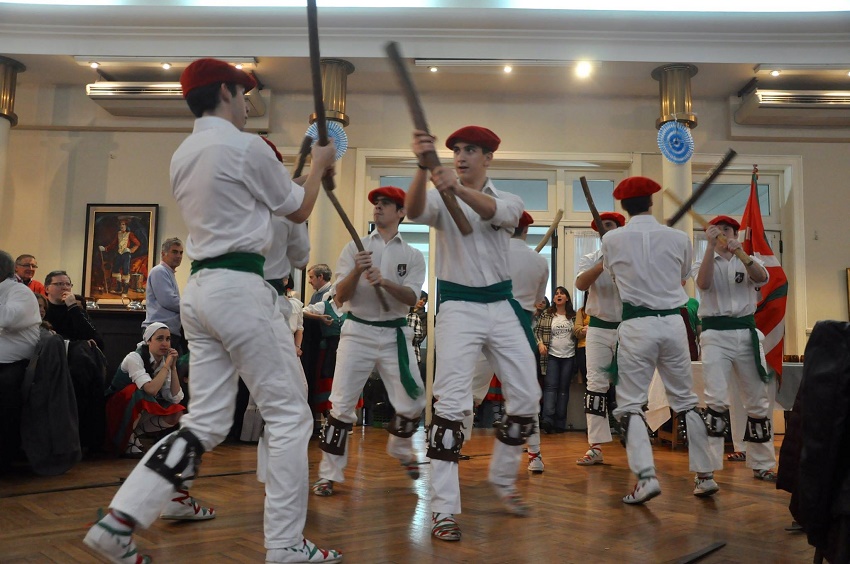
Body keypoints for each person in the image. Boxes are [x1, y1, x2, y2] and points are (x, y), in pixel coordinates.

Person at [83, 58, 340, 563]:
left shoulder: (184, 152)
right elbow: (301, 209)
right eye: (244, 96)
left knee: (205, 420)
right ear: (226, 91)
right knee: (290, 417)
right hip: (240, 290)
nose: (248, 106)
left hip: (201, 290)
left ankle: (120, 521)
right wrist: (320, 167)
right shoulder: (242, 145)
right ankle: (286, 545)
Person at [408, 125, 540, 541]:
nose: (461, 157)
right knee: (450, 404)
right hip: (459, 307)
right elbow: (413, 211)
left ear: (489, 158)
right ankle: (443, 509)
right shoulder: (438, 196)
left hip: (501, 306)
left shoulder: (509, 202)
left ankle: (503, 478)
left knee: (528, 397)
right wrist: (420, 166)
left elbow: (493, 213)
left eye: (471, 150)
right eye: (456, 151)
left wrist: (457, 190)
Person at [600, 176, 712, 504]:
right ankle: (705, 475)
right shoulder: (678, 238)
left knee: (631, 403)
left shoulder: (612, 240)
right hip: (674, 323)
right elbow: (682, 276)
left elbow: (614, 275)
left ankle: (646, 477)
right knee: (687, 399)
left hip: (637, 325)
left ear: (623, 205)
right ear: (651, 201)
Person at [311, 186, 426, 497]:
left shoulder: (413, 255)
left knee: (415, 400)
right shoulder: (354, 248)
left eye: (386, 204)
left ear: (401, 212)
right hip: (357, 331)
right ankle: (329, 474)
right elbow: (339, 295)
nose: (378, 208)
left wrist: (384, 281)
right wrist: (358, 271)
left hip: (395, 333)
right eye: (376, 203)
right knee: (341, 405)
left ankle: (401, 449)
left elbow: (412, 297)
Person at [692, 215, 777, 485]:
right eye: (716, 230)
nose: (721, 234)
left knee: (757, 400)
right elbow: (703, 284)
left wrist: (739, 252)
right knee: (715, 400)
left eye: (726, 230)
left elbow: (761, 277)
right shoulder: (703, 260)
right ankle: (706, 471)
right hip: (715, 333)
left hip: (745, 332)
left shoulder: (749, 259)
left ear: (735, 233)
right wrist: (708, 248)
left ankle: (762, 463)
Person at [573, 212, 625, 466]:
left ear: (618, 229)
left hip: (628, 328)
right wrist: (603, 263)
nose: (606, 230)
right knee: (595, 385)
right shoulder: (590, 258)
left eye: (610, 226)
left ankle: (635, 438)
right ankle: (595, 446)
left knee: (631, 385)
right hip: (598, 328)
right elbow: (581, 284)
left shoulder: (630, 257)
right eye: (602, 227)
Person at [104, 323, 186, 457]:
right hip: (116, 406)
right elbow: (151, 390)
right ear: (148, 341)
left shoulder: (165, 361)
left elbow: (175, 397)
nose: (165, 343)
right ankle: (125, 440)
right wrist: (166, 366)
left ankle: (133, 434)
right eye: (160, 339)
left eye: (168, 339)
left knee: (176, 412)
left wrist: (173, 368)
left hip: (139, 405)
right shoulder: (134, 358)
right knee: (138, 392)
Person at [535, 286, 577, 434]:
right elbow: (537, 332)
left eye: (562, 293)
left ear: (567, 298)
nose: (558, 295)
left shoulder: (573, 316)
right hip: (551, 355)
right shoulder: (547, 314)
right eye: (556, 294)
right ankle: (547, 420)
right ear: (553, 299)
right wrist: (540, 344)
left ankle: (560, 423)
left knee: (564, 389)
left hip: (569, 356)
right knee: (550, 387)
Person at [143, 237, 186, 355]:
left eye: (181, 252)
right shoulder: (160, 271)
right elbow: (169, 301)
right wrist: (193, 308)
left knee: (171, 370)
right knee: (162, 370)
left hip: (166, 331)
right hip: (159, 331)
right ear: (163, 254)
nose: (179, 256)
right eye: (174, 252)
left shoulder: (168, 273)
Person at [43, 270, 104, 349]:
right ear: (47, 289)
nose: (65, 287)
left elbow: (97, 340)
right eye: (59, 284)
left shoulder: (76, 310)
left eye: (68, 284)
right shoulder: (42, 309)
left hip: (75, 356)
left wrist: (73, 307)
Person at [1, 250, 41, 364]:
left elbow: (7, 319)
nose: (31, 268)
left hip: (13, 362)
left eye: (33, 266)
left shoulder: (21, 291)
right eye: (27, 265)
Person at [99, 219, 141, 295]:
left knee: (125, 270)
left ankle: (125, 290)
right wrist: (105, 248)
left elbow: (137, 243)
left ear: (126, 226)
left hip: (126, 254)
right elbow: (113, 244)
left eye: (123, 224)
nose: (121, 226)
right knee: (115, 270)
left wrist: (130, 250)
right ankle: (118, 288)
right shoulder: (118, 234)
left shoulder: (130, 234)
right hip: (119, 254)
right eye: (121, 224)